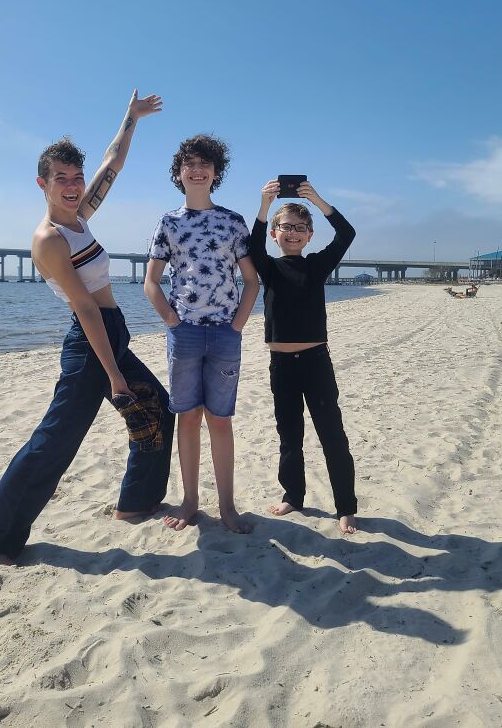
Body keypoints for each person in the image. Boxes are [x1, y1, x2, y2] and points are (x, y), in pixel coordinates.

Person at [0, 90, 173, 566]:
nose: (75, 185)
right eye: (63, 179)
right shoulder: (49, 240)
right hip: (91, 345)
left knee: (156, 405)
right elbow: (84, 308)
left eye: (77, 178)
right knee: (55, 440)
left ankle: (137, 502)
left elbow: (112, 162)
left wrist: (130, 117)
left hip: (111, 332)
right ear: (43, 183)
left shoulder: (79, 218)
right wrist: (115, 377)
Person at [144, 135, 259, 533]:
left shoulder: (232, 221)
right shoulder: (169, 223)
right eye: (189, 164)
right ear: (179, 174)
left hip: (225, 335)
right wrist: (173, 323)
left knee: (220, 420)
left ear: (215, 173)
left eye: (205, 164)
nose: (197, 170)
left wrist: (238, 325)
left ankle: (227, 506)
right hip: (185, 334)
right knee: (188, 418)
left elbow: (251, 281)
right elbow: (151, 283)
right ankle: (190, 500)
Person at [250, 179, 359, 534]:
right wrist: (265, 207)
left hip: (315, 362)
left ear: (310, 234)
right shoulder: (268, 268)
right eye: (286, 228)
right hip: (281, 366)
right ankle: (293, 496)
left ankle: (345, 506)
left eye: (300, 228)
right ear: (275, 234)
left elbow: (346, 234)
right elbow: (251, 246)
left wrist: (318, 200)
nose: (293, 234)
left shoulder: (316, 266)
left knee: (332, 434)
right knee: (289, 434)